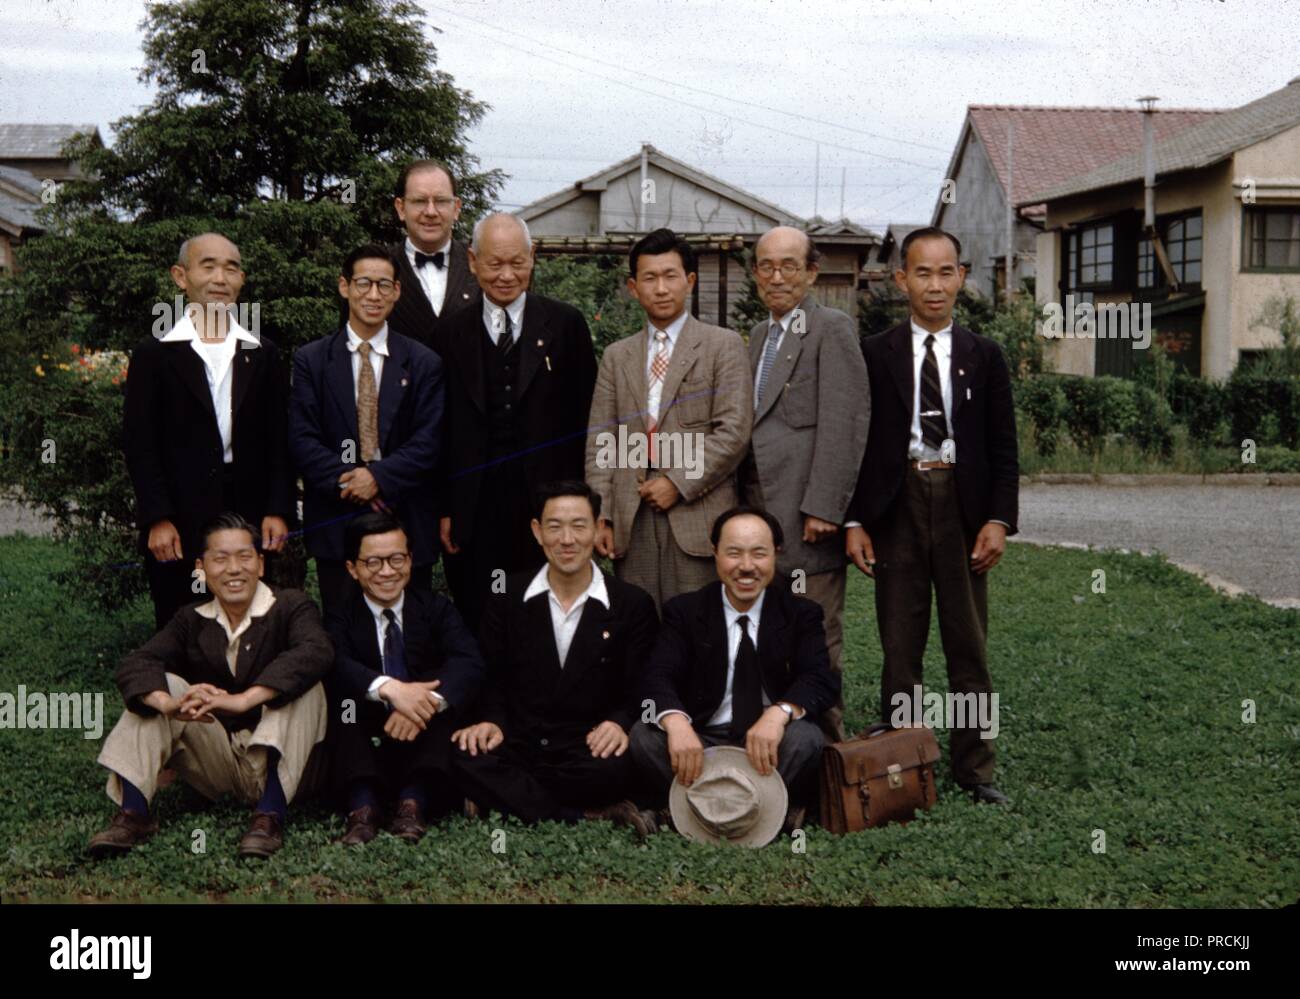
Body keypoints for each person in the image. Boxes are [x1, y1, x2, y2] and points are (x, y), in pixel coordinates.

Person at [844, 226, 1019, 805]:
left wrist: (998, 519)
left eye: (947, 272)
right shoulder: (875, 353)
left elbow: (1003, 447)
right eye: (922, 272)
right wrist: (856, 521)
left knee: (968, 645)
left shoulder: (984, 355)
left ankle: (977, 769)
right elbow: (859, 444)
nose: (935, 285)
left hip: (963, 508)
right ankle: (903, 759)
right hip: (898, 505)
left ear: (962, 277)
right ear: (901, 280)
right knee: (901, 644)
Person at [88, 513, 332, 859]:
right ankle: (133, 814)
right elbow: (138, 663)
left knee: (305, 684)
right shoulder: (192, 618)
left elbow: (316, 651)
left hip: (289, 760)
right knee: (160, 688)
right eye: (221, 559)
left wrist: (245, 699)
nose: (234, 569)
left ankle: (270, 815)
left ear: (260, 564)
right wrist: (168, 705)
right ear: (201, 568)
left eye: (245, 557)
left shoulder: (290, 606)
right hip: (224, 763)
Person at [451, 481, 659, 838]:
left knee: (622, 765)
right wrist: (493, 721)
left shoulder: (631, 604)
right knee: (462, 752)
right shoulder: (507, 596)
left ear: (597, 529)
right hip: (520, 740)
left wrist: (620, 722)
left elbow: (644, 683)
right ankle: (582, 815)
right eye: (554, 526)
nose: (567, 539)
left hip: (588, 746)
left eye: (579, 525)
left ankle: (506, 799)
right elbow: (491, 675)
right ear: (537, 531)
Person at [629, 507, 839, 831]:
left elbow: (820, 678)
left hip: (768, 746)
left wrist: (778, 713)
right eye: (733, 553)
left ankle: (692, 811)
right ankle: (766, 813)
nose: (746, 567)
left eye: (759, 554)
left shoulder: (800, 613)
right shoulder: (684, 611)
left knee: (806, 738)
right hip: (702, 740)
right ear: (714, 553)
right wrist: (676, 721)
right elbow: (657, 673)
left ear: (775, 555)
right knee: (644, 738)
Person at [123, 232, 293, 630]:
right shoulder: (155, 353)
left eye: (231, 268)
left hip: (247, 503)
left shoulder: (261, 352)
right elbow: (139, 443)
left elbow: (279, 440)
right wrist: (157, 518)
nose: (220, 277)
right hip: (180, 510)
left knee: (248, 610)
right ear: (181, 277)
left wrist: (277, 508)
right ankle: (186, 691)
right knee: (182, 611)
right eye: (208, 266)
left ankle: (244, 689)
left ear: (242, 280)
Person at [436, 213, 598, 632]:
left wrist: (580, 505)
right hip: (474, 504)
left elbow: (586, 420)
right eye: (494, 264)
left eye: (517, 263)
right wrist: (446, 507)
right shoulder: (451, 332)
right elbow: (443, 426)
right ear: (472, 261)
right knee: (479, 610)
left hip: (546, 505)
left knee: (544, 615)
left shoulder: (566, 325)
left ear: (533, 259)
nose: (507, 276)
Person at [739, 225, 870, 740]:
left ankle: (829, 760)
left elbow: (847, 422)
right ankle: (778, 752)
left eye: (788, 266)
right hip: (761, 521)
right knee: (768, 638)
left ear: (811, 272)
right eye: (766, 266)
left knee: (816, 642)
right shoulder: (755, 337)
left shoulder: (830, 328)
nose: (776, 277)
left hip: (807, 518)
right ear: (755, 274)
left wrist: (826, 507)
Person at [585, 227, 752, 611]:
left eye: (670, 276)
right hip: (633, 520)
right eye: (650, 278)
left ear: (689, 281)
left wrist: (676, 482)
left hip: (698, 516)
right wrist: (603, 514)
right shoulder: (617, 355)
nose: (661, 288)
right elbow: (601, 441)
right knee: (640, 633)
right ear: (633, 287)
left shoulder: (722, 345)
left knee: (698, 631)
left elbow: (733, 433)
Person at [288, 243, 444, 619]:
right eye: (363, 283)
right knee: (343, 633)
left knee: (411, 631)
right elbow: (302, 438)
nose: (373, 295)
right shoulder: (311, 360)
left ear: (397, 292)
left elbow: (429, 440)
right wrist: (350, 482)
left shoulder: (423, 362)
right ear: (344, 287)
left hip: (403, 514)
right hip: (337, 519)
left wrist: (379, 478)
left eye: (383, 285)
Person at [325, 511, 484, 845]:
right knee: (344, 703)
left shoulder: (435, 607)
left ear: (410, 560)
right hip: (366, 733)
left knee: (443, 691)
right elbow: (334, 662)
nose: (387, 571)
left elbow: (469, 660)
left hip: (425, 735)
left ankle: (413, 804)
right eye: (373, 562)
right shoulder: (339, 615)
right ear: (352, 569)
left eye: (396, 558)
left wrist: (423, 705)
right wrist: (391, 690)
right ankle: (362, 808)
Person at [386, 159, 476, 349]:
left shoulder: (481, 267)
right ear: (401, 208)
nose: (430, 211)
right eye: (419, 201)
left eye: (441, 201)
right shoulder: (377, 270)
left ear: (457, 208)